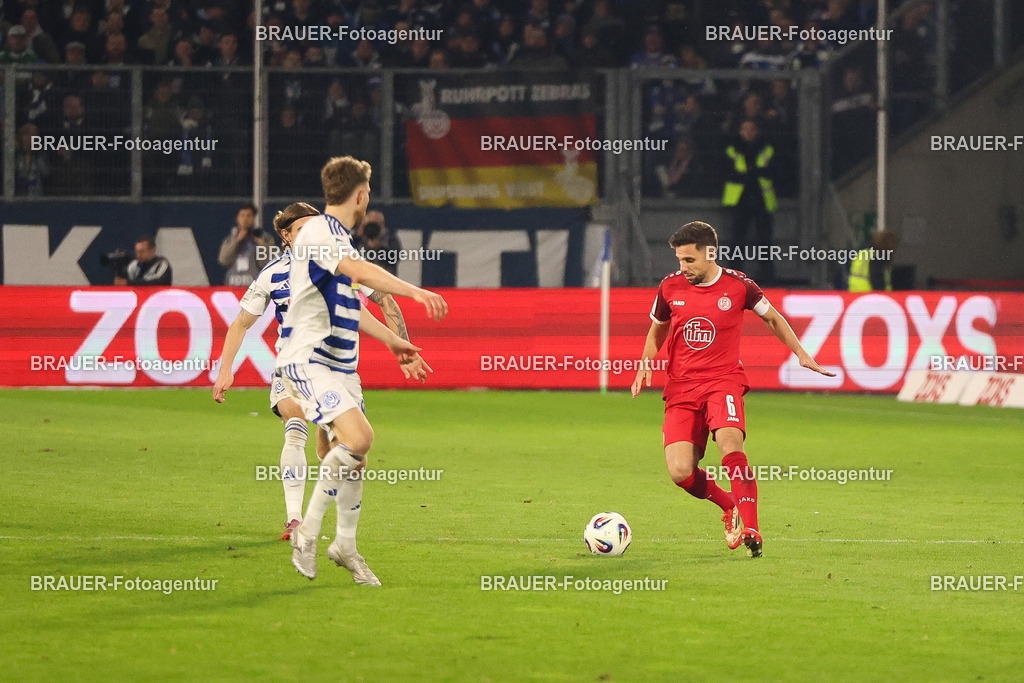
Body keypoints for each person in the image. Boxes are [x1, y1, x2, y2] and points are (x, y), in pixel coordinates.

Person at [212, 201, 426, 540]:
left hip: (339, 370)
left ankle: (344, 536)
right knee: (294, 424)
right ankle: (295, 520)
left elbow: (385, 298)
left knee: (344, 454)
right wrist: (225, 370)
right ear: (286, 234)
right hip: (293, 366)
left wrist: (403, 346)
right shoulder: (272, 275)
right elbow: (240, 323)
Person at [281, 156, 447, 585]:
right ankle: (307, 535)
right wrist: (414, 290)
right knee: (359, 438)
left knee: (356, 459)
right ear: (360, 195)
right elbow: (357, 272)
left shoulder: (335, 238)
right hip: (308, 359)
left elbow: (350, 304)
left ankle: (346, 546)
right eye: (368, 191)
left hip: (336, 364)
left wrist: (395, 343)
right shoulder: (318, 232)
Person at [631, 221, 834, 558]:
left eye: (689, 261)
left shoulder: (740, 286)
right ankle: (729, 506)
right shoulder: (669, 288)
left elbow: (773, 318)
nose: (682, 268)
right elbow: (658, 329)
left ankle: (752, 527)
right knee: (681, 471)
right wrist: (644, 363)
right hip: (681, 387)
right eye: (679, 260)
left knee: (730, 445)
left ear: (710, 254)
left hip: (722, 381)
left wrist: (801, 353)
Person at [722, 119, 777, 282]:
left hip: (761, 197)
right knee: (737, 238)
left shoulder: (766, 148)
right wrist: (753, 173)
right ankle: (734, 273)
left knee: (764, 239)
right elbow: (727, 171)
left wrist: (750, 174)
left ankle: (767, 275)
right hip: (740, 198)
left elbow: (772, 170)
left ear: (756, 131)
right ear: (739, 131)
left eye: (751, 129)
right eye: (744, 129)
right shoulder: (732, 148)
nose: (748, 133)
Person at [218, 203, 276, 286]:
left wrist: (262, 244)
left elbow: (268, 263)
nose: (245, 219)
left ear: (254, 218)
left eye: (249, 216)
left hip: (255, 285)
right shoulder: (230, 239)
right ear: (237, 218)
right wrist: (237, 241)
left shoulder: (265, 238)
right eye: (242, 216)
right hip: (233, 285)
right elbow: (223, 260)